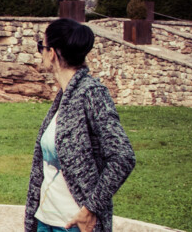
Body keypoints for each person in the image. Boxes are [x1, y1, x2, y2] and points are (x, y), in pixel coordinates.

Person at [26, 19, 135, 232]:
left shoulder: (91, 93)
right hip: (46, 220)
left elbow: (123, 156)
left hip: (73, 224)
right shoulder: (64, 96)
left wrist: (91, 207)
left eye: (42, 46)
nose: (41, 53)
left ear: (52, 53)